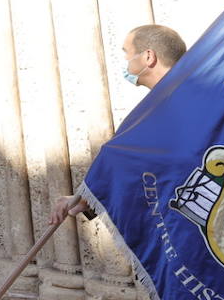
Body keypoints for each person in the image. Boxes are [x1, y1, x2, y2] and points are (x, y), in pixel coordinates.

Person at [51, 25, 189, 226]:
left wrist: (87, 197)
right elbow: (139, 169)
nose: (125, 61)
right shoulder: (161, 104)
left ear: (148, 57)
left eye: (128, 54)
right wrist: (86, 199)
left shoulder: (174, 104)